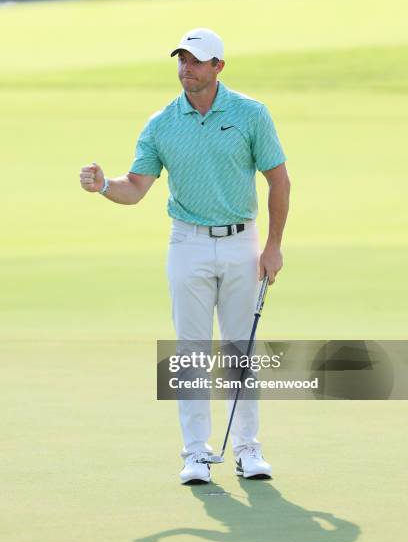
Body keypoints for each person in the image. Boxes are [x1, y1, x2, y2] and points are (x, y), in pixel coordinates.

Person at [80, 27, 290, 485]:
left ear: (218, 67)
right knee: (191, 353)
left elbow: (279, 180)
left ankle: (248, 448)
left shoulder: (251, 114)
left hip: (241, 243)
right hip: (187, 243)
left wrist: (272, 246)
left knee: (240, 350)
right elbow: (135, 188)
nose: (185, 69)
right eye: (181, 60)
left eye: (195, 61)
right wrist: (104, 186)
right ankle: (196, 453)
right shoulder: (161, 123)